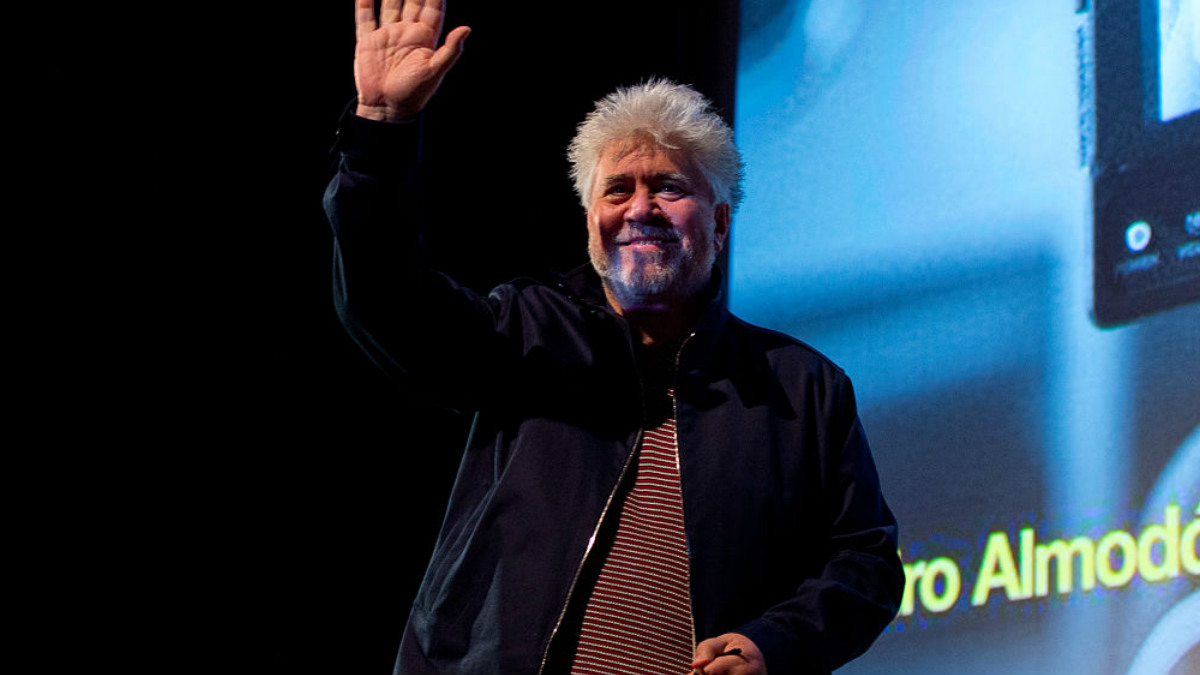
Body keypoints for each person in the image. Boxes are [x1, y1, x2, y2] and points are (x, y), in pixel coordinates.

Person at [324, 1, 904, 673]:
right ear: (590, 219)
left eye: (667, 187)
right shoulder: (525, 332)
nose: (639, 209)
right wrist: (383, 131)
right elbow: (386, 302)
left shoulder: (800, 387)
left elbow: (866, 563)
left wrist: (772, 642)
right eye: (617, 190)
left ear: (719, 223)